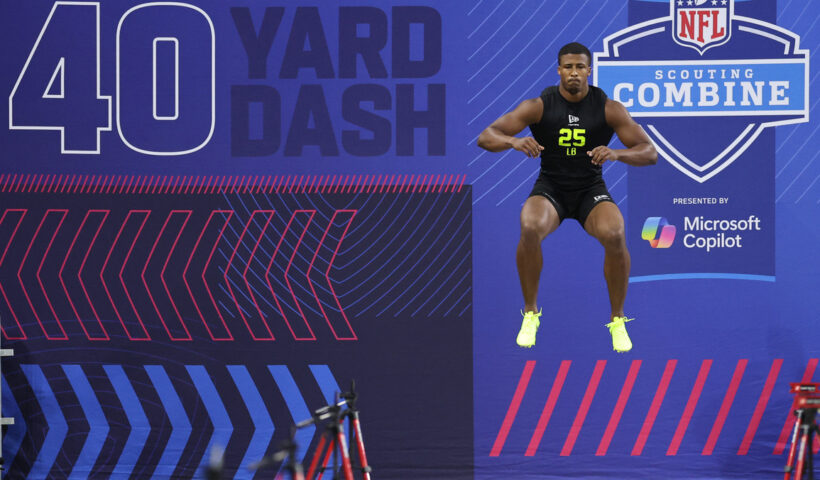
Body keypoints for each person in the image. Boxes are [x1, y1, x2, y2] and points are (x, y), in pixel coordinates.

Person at [477, 42, 657, 352]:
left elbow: (650, 152)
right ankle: (531, 314)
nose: (574, 72)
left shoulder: (608, 108)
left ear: (590, 70)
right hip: (552, 188)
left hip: (590, 189)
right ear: (559, 70)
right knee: (530, 226)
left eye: (580, 67)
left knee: (615, 233)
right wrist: (514, 142)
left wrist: (615, 152)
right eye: (568, 67)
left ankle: (617, 319)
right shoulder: (539, 105)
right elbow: (486, 136)